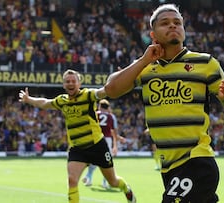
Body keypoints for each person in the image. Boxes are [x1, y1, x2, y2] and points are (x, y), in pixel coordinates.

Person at [104, 4, 224, 203]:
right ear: (153, 34)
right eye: (165, 23)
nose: (173, 26)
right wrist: (143, 60)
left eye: (178, 23)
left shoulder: (205, 63)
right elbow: (111, 89)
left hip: (196, 160)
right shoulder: (146, 67)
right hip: (169, 166)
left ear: (184, 30)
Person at [18, 69, 136, 203]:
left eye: (73, 81)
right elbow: (45, 103)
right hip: (77, 149)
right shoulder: (62, 101)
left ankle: (126, 189)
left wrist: (119, 79)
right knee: (72, 180)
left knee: (113, 181)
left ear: (79, 83)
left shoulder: (88, 95)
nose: (70, 83)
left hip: (97, 146)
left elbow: (103, 91)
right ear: (63, 85)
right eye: (67, 81)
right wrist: (28, 99)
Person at [82, 99, 126, 188]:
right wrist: (116, 143)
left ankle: (89, 177)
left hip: (95, 138)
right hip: (107, 139)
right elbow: (114, 132)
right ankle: (105, 182)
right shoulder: (111, 116)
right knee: (107, 161)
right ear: (108, 107)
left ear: (99, 106)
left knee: (94, 158)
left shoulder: (95, 114)